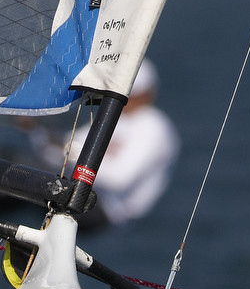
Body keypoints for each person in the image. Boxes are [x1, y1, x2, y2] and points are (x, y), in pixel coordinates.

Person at [28, 59, 179, 229]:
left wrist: (70, 152)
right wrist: (36, 134)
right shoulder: (114, 119)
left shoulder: (154, 125)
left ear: (147, 93)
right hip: (72, 189)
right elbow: (57, 158)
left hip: (106, 209)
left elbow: (118, 179)